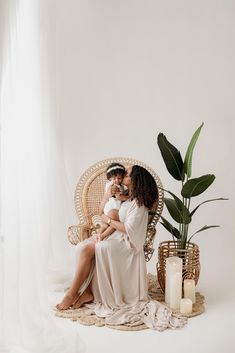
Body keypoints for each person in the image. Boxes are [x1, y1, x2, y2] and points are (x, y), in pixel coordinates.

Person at [56, 165, 187, 330]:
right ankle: (87, 291)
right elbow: (102, 210)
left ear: (134, 180)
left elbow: (129, 229)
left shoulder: (139, 205)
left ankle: (72, 294)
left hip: (128, 245)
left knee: (97, 248)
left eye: (126, 174)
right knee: (83, 247)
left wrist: (108, 220)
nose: (122, 175)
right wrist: (107, 202)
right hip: (115, 236)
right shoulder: (125, 196)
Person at [97, 162, 129, 241]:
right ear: (109, 178)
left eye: (119, 178)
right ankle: (103, 236)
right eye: (114, 178)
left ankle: (98, 235)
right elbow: (119, 196)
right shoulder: (112, 186)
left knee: (104, 225)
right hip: (113, 208)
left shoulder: (121, 186)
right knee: (115, 224)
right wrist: (125, 197)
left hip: (108, 209)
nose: (117, 180)